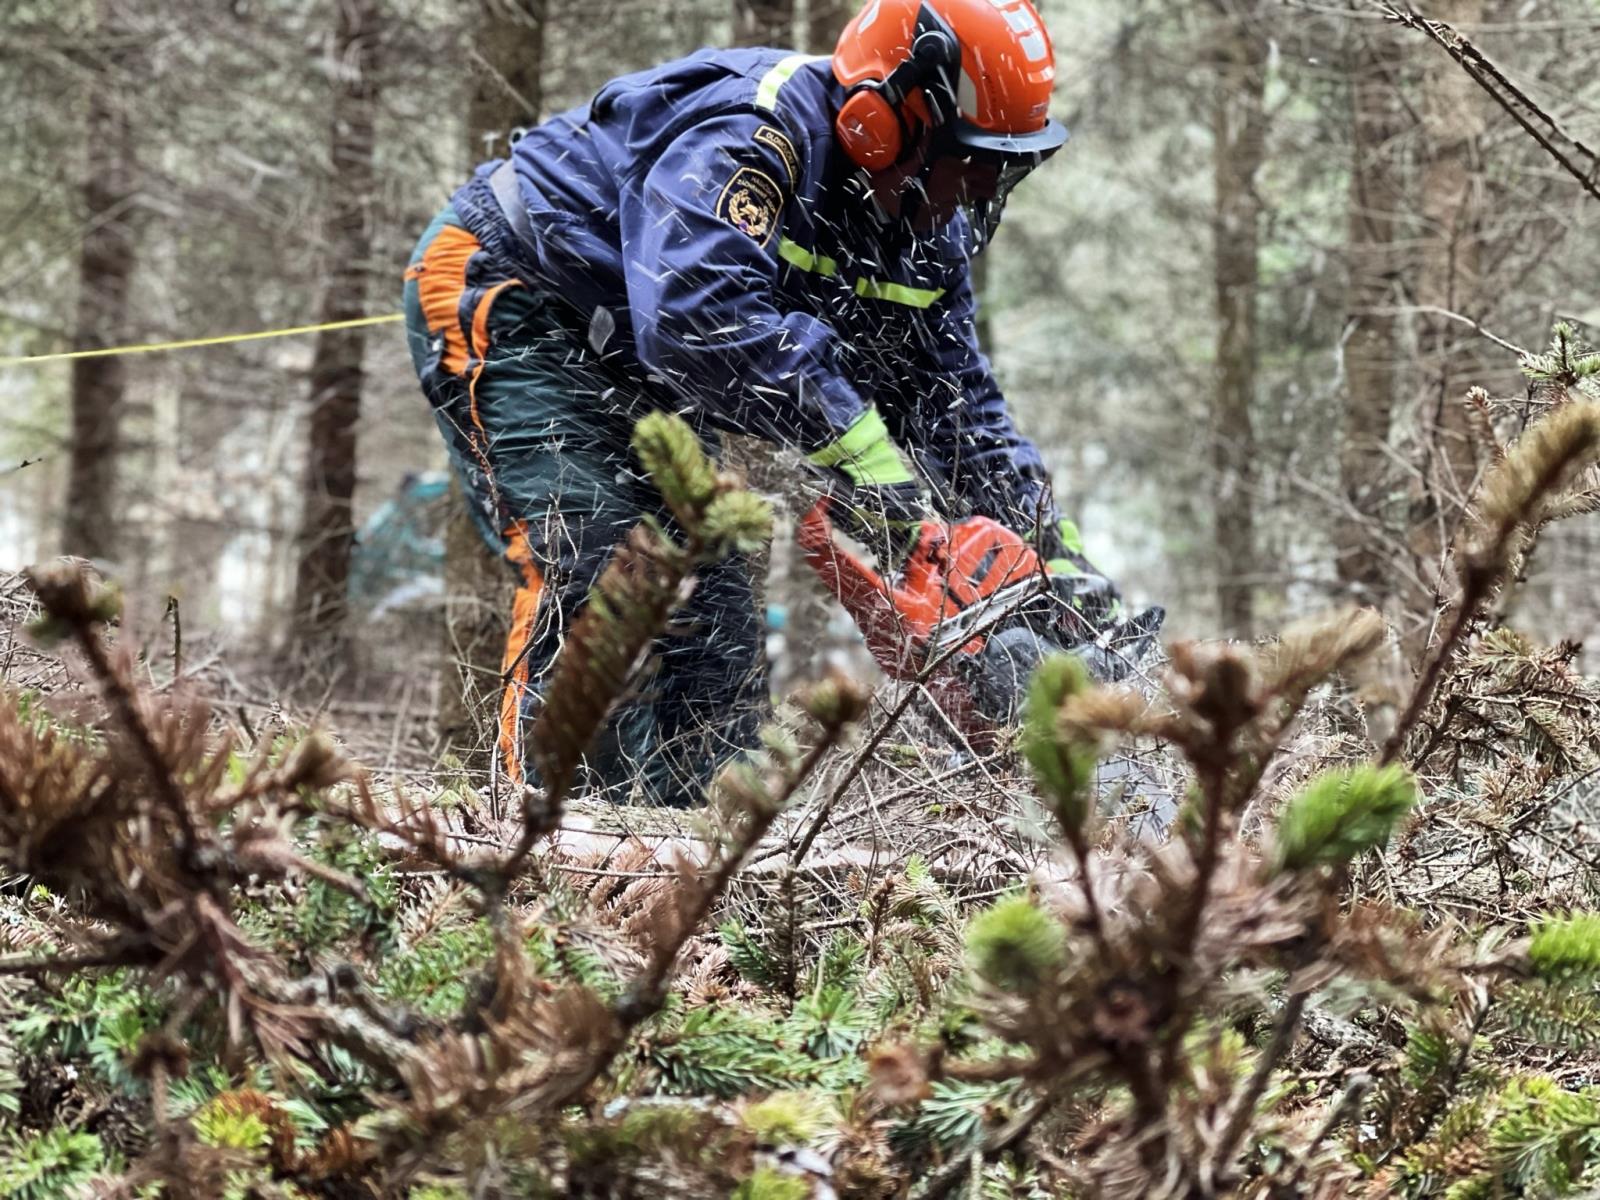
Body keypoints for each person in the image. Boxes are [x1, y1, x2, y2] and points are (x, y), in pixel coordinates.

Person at [402, 0, 1120, 806]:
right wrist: (864, 459)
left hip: (639, 360)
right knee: (604, 566)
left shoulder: (927, 235)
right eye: (966, 163)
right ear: (884, 120)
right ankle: (556, 839)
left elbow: (960, 410)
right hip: (525, 291)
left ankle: (701, 854)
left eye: (995, 172)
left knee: (712, 622)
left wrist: (1059, 560)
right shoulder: (758, 133)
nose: (973, 191)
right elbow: (693, 311)